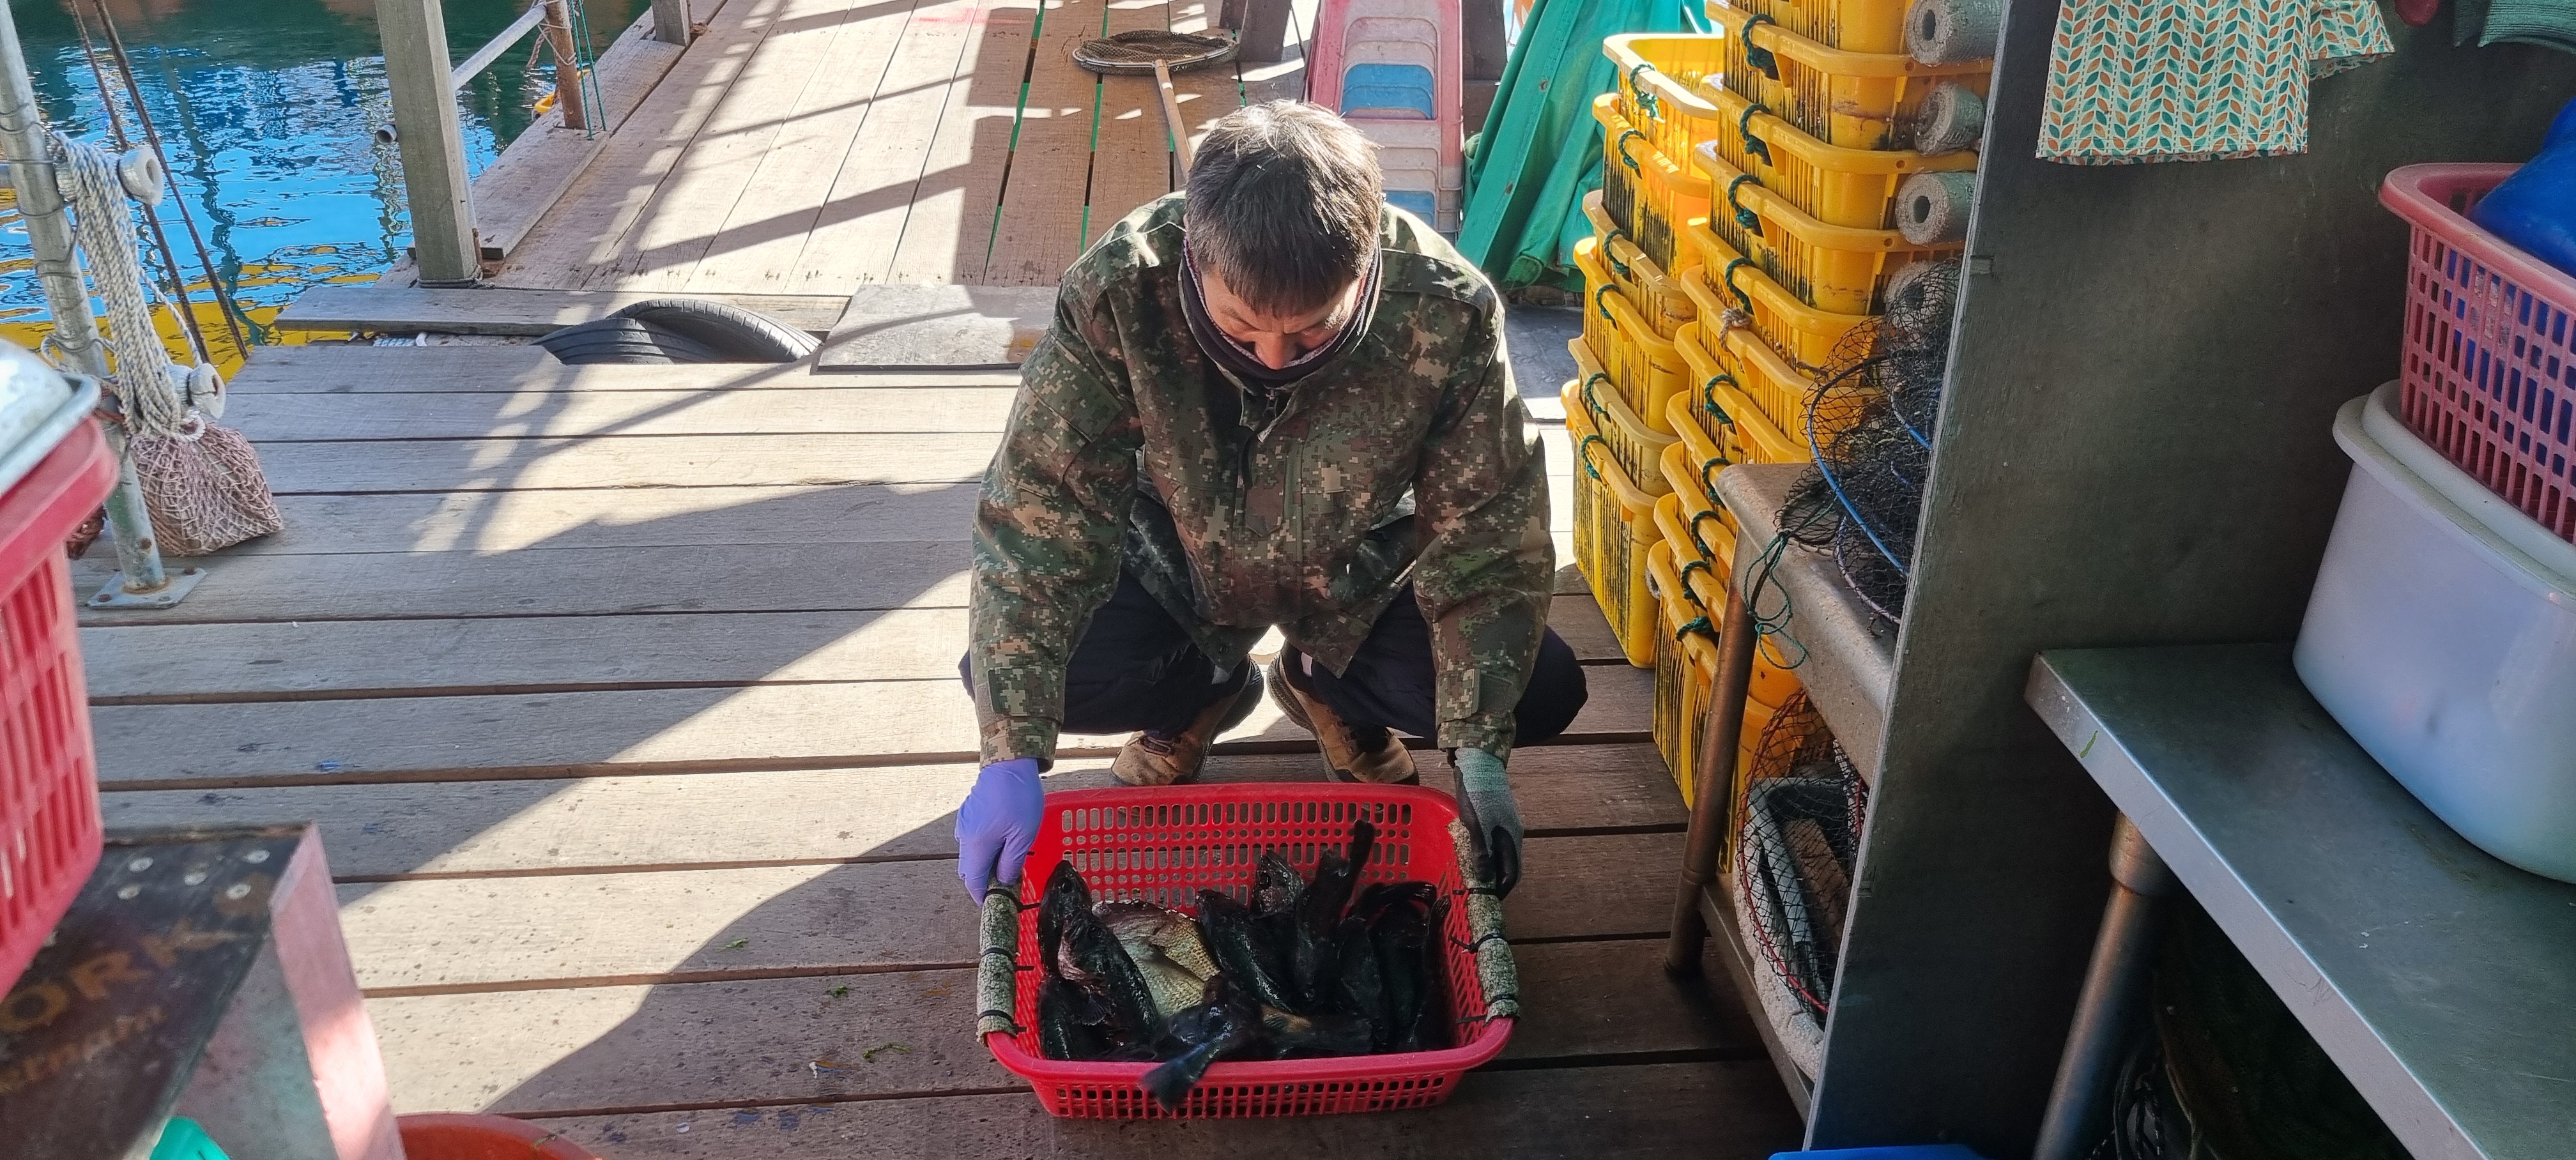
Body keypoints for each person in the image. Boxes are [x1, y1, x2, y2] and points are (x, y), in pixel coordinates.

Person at [953, 101, 1585, 904]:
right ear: (1194, 255)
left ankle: (1322, 682)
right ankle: (1205, 685)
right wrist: (1010, 751)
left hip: (1359, 576)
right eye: (1242, 328)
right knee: (1024, 673)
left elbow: (1487, 531)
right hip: (1178, 567)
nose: (1276, 358)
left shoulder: (1449, 309)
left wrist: (1479, 753)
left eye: (1313, 332)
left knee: (1537, 687)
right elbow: (1043, 514)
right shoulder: (1119, 291)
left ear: (1366, 267)